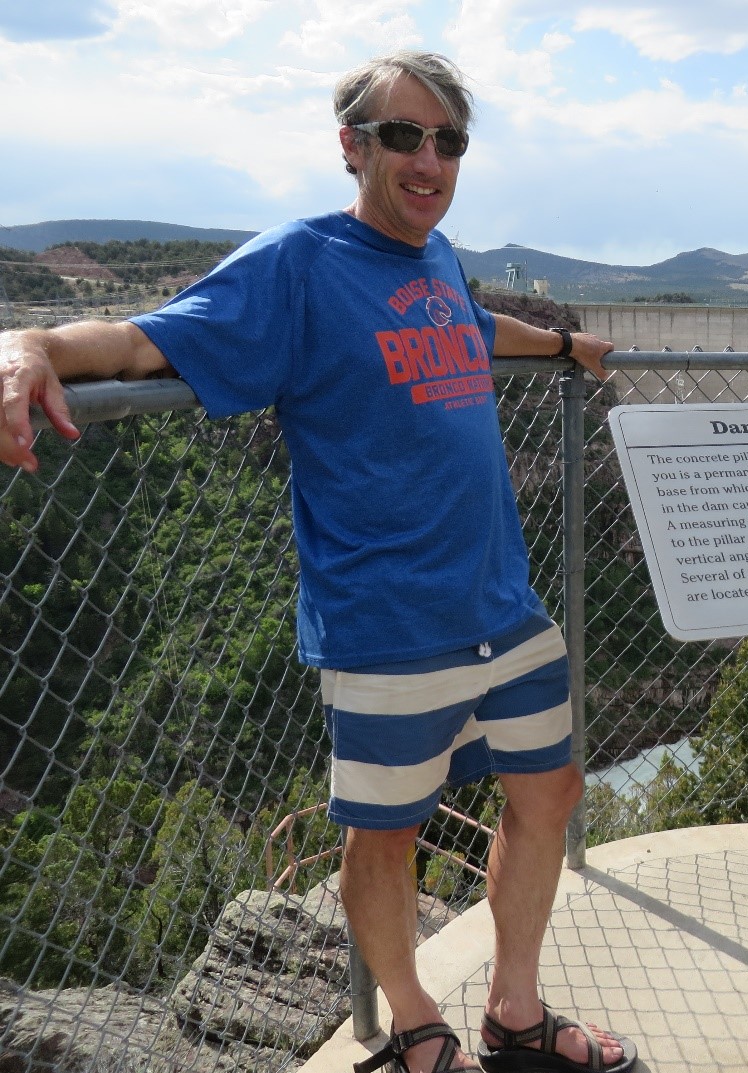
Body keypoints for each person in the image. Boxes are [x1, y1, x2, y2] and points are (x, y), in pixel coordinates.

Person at [0, 50, 633, 1073]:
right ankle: (420, 1026)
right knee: (386, 837)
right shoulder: (297, 263)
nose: (429, 160)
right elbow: (135, 342)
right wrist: (29, 339)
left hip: (501, 600)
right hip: (385, 620)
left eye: (448, 141)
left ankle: (514, 1008)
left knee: (548, 787)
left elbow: (468, 329)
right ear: (351, 145)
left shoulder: (432, 260)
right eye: (403, 136)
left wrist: (563, 350)